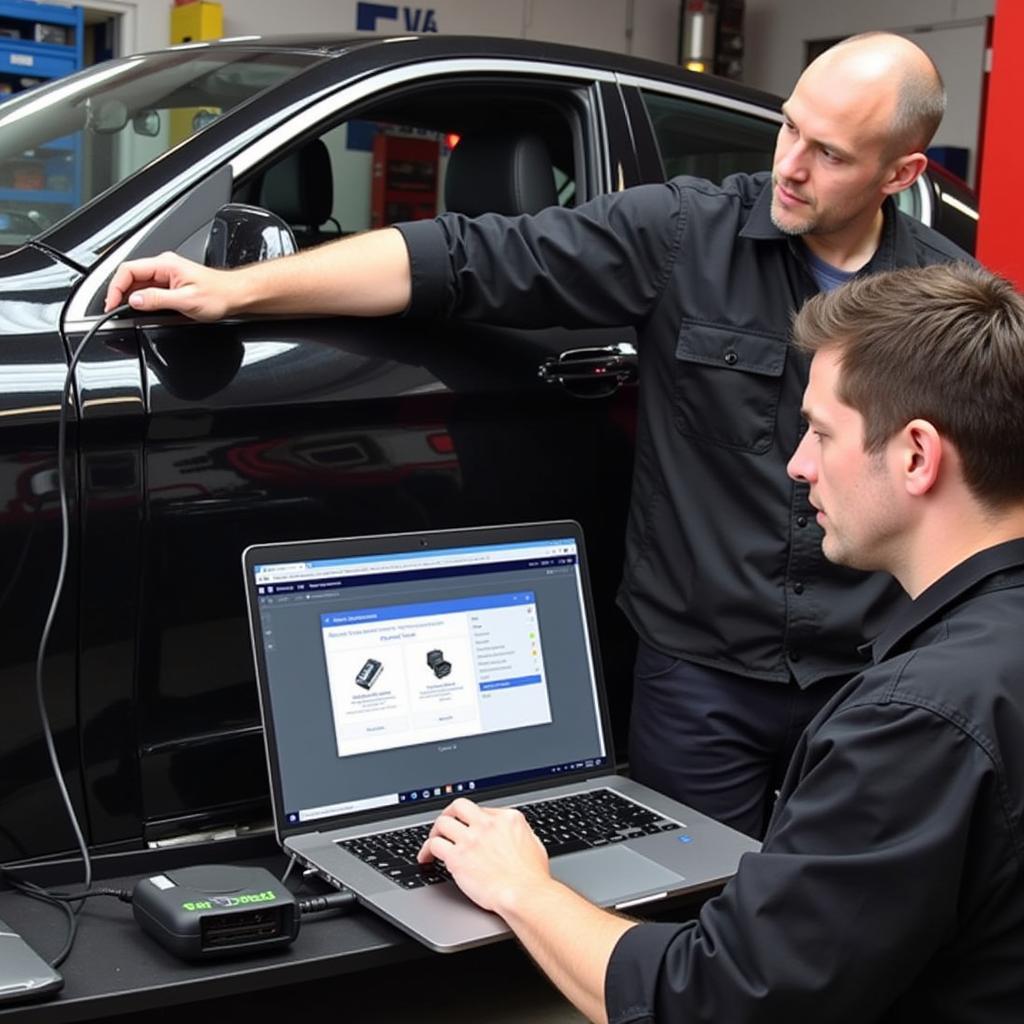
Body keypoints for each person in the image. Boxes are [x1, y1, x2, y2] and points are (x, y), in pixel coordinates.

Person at [105, 32, 971, 837]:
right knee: (691, 914)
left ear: (901, 175)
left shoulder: (950, 300)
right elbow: (459, 259)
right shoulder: (684, 232)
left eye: (829, 154)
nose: (789, 165)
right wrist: (231, 292)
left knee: (847, 931)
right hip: (701, 676)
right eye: (789, 128)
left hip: (870, 678)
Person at [415, 262, 1024, 1023]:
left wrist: (521, 886)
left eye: (822, 432)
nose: (798, 467)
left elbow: (715, 1004)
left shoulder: (918, 720)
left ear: (915, 455)